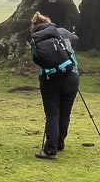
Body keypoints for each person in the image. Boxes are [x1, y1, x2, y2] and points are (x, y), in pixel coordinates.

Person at [30, 11, 80, 160]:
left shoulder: (35, 39)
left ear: (34, 26)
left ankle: (50, 150)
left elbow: (36, 60)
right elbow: (74, 45)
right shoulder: (61, 33)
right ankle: (59, 143)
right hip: (71, 77)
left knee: (52, 114)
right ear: (48, 22)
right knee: (65, 112)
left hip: (50, 80)